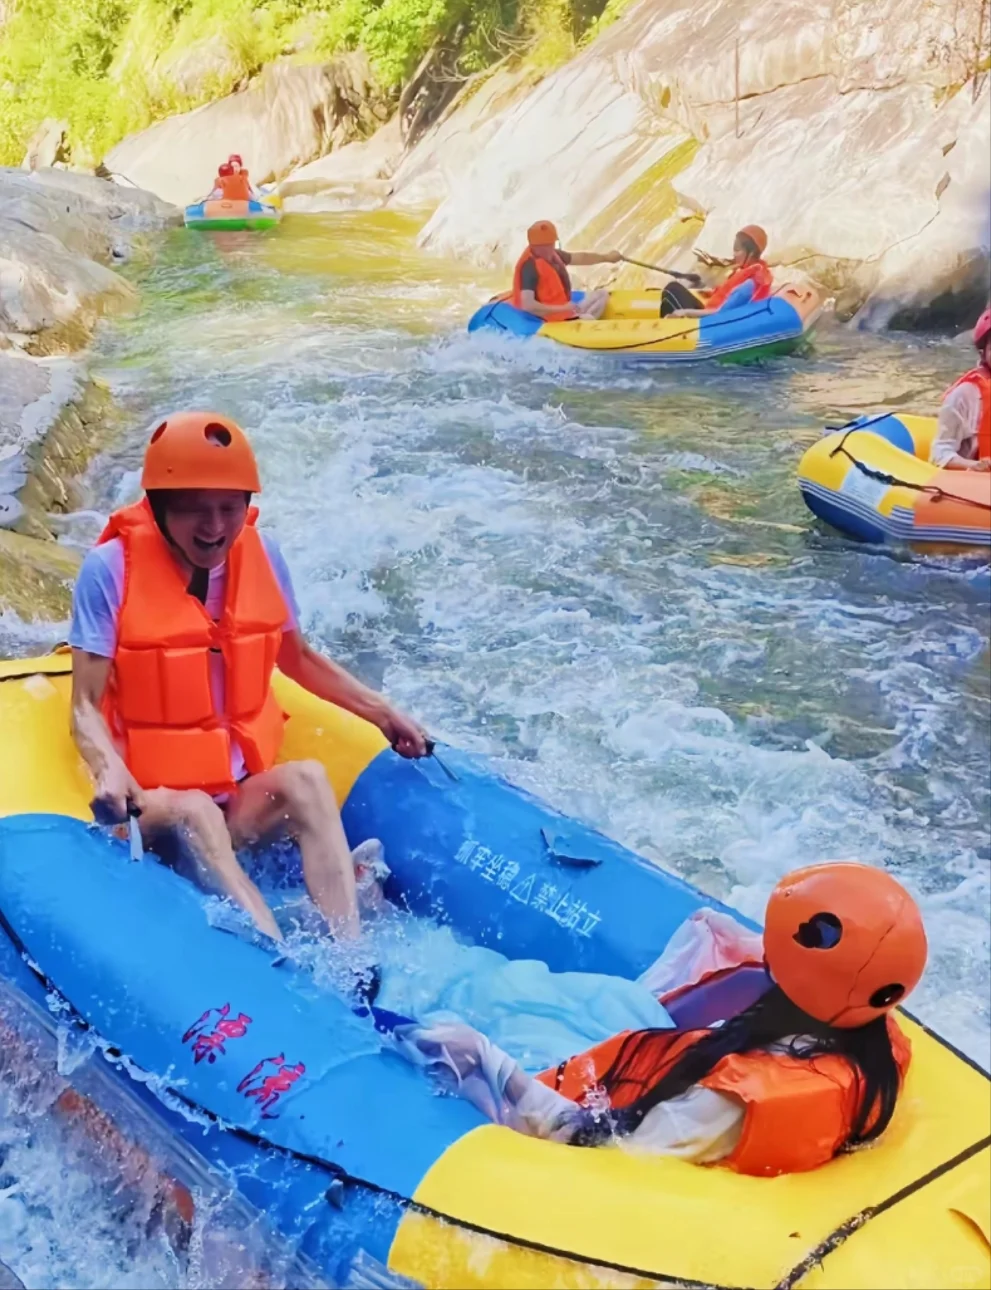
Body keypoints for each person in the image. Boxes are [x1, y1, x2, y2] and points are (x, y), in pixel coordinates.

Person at [69, 412, 428, 945]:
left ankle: (352, 961)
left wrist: (381, 711)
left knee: (306, 777)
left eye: (228, 508)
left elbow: (297, 658)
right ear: (159, 507)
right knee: (193, 809)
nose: (214, 527)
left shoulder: (264, 555)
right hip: (156, 808)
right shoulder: (110, 569)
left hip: (236, 799)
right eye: (194, 509)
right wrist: (108, 769)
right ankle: (278, 965)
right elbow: (84, 707)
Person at [391, 862, 927, 1176]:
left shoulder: (725, 1104)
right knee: (590, 1003)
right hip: (652, 1071)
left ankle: (376, 964)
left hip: (586, 1117)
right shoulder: (869, 1038)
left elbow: (605, 1158)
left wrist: (490, 1061)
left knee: (476, 1009)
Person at [511, 221, 621, 322]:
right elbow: (528, 305)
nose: (547, 250)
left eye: (549, 245)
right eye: (541, 247)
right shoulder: (529, 267)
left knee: (601, 294)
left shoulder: (554, 255)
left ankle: (579, 316)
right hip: (548, 317)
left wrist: (607, 258)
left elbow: (582, 258)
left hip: (565, 310)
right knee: (588, 320)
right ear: (533, 245)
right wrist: (563, 308)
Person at [661, 225, 774, 318]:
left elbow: (722, 314)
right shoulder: (750, 272)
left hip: (711, 324)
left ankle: (661, 336)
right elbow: (728, 294)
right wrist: (711, 293)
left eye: (737, 249)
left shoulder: (749, 285)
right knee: (674, 290)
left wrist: (686, 312)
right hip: (712, 315)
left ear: (752, 253)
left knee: (672, 290)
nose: (734, 254)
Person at [930, 308, 991, 471]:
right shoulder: (964, 395)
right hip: (973, 483)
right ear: (983, 352)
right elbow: (939, 453)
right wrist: (973, 465)